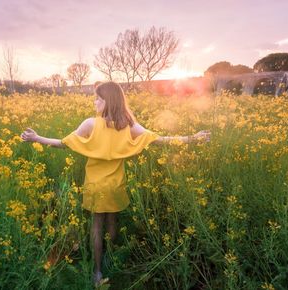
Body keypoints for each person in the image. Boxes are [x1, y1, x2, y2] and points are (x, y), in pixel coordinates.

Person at [20, 81, 210, 286]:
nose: (94, 102)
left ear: (107, 101)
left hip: (95, 185)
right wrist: (193, 138)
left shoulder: (90, 124)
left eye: (98, 99)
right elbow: (159, 139)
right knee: (112, 222)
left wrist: (37, 138)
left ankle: (97, 271)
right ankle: (111, 259)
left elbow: (63, 144)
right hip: (116, 184)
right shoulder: (127, 125)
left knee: (96, 226)